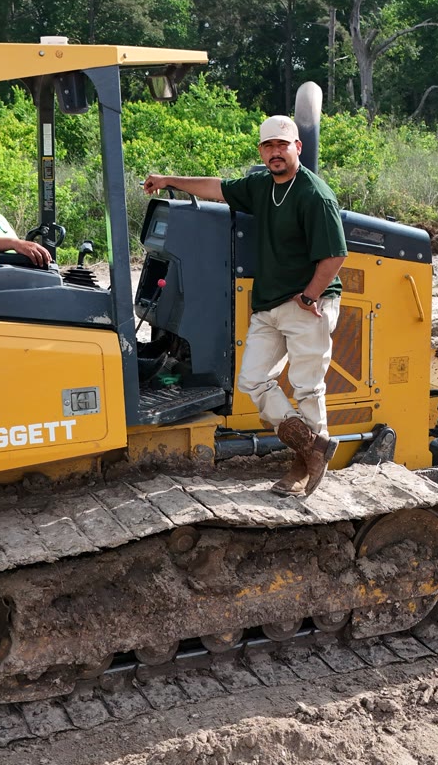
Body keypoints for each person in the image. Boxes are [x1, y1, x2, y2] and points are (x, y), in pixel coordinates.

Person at [143, 115, 348, 496]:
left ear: (297, 148)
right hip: (269, 305)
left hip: (306, 303)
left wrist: (308, 296)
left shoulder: (315, 195)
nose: (275, 152)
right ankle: (314, 447)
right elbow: (217, 188)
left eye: (282, 145)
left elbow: (334, 255)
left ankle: (304, 466)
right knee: (252, 380)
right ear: (261, 151)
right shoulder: (261, 185)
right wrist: (170, 180)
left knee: (306, 389)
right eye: (268, 146)